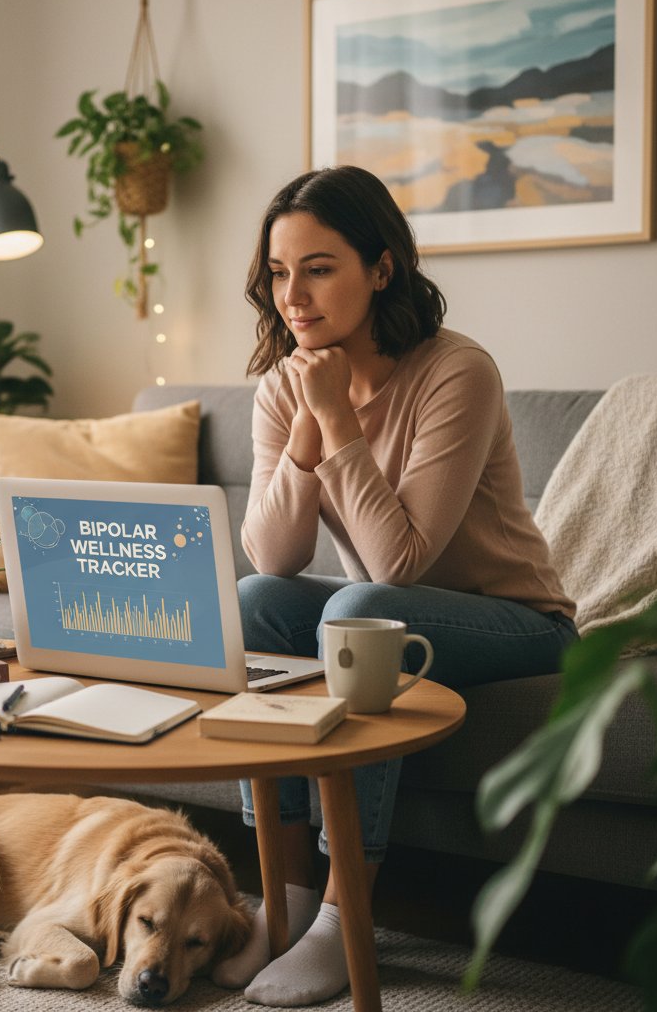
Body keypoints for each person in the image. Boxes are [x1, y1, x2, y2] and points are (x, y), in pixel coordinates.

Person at [212, 166, 577, 1007]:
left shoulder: (458, 372)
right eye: (279, 272)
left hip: (517, 622)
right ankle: (285, 898)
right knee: (254, 601)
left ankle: (345, 917)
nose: (293, 296)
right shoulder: (284, 384)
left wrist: (338, 420)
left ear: (382, 268)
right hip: (382, 610)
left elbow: (397, 563)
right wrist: (306, 429)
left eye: (319, 268)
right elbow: (272, 554)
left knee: (359, 613)